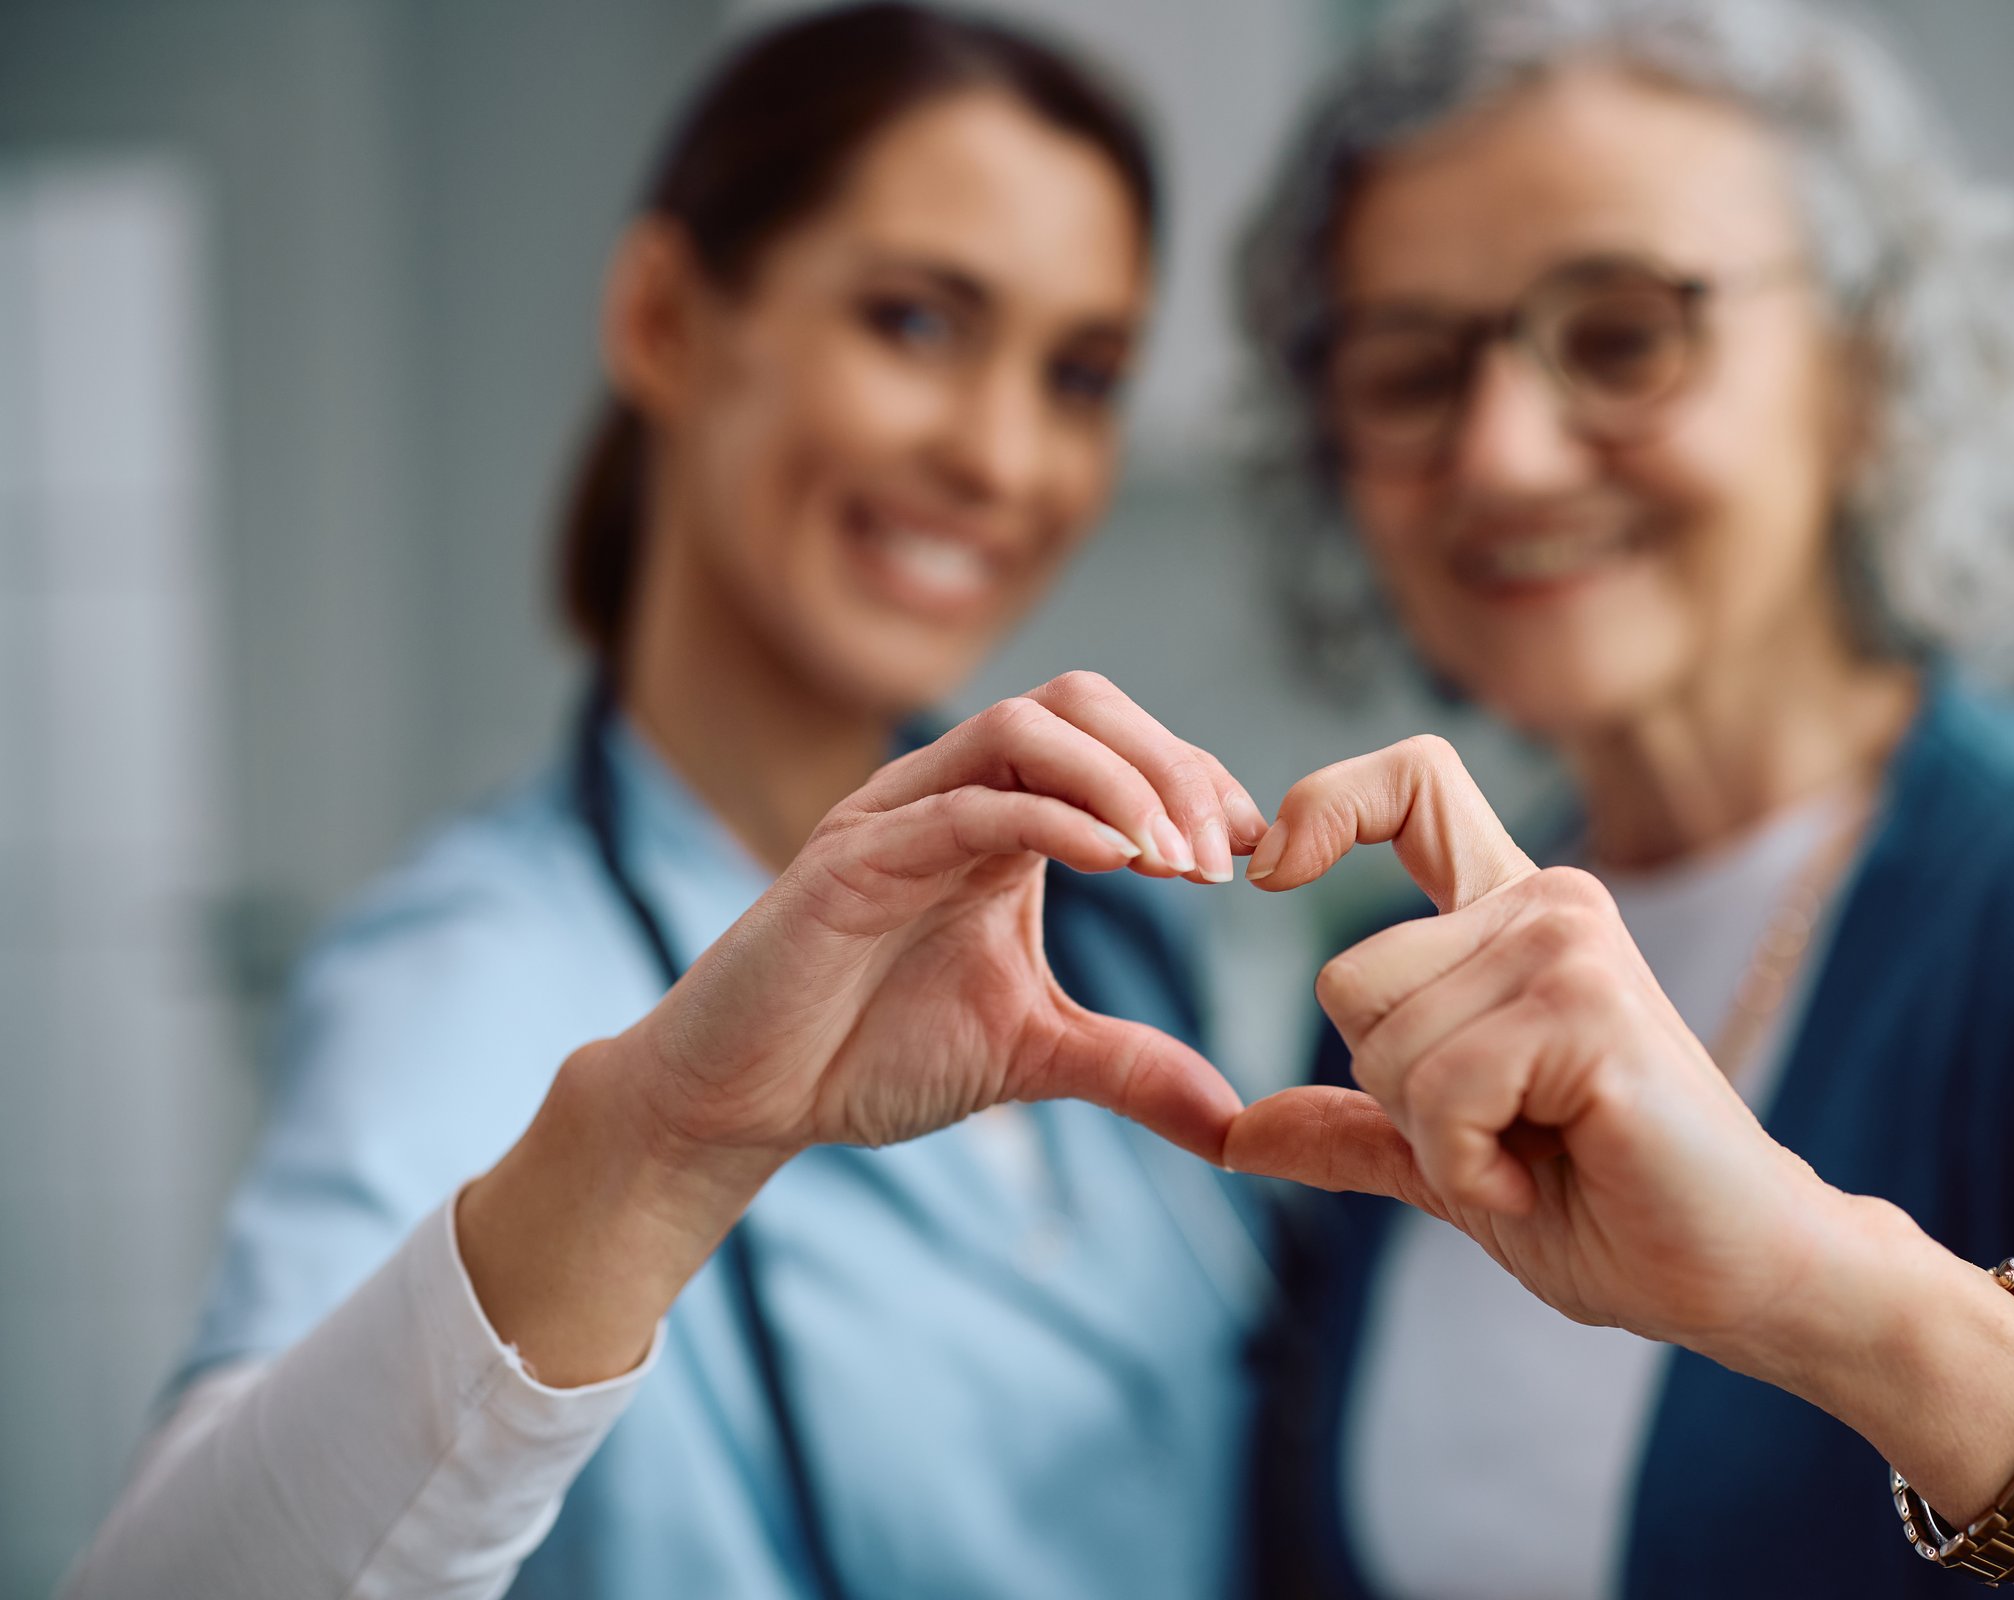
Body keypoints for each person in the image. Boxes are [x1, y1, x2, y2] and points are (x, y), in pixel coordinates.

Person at [65, 7, 1276, 1596]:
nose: (1002, 453)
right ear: (662, 318)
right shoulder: (478, 970)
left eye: (1081, 375)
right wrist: (660, 1145)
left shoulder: (1110, 924)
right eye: (917, 322)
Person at [1226, 1, 2014, 1595]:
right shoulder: (1396, 987)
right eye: (1412, 369)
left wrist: (1829, 1298)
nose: (1498, 453)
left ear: (1867, 373)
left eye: (1625, 333)